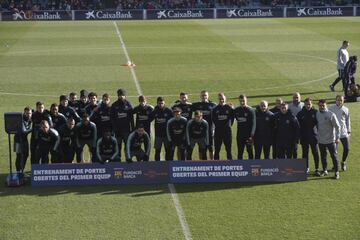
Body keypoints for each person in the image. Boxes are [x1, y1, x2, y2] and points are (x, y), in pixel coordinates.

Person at [316, 99, 341, 179]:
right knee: (323, 156)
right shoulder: (317, 114)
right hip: (321, 140)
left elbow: (338, 127)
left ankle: (336, 172)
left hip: (331, 140)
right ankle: (325, 170)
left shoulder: (331, 115)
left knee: (334, 156)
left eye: (323, 105)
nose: (322, 107)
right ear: (318, 106)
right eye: (320, 106)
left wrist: (337, 138)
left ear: (326, 105)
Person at [296, 98, 320, 175]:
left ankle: (317, 169)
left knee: (315, 153)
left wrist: (318, 134)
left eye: (309, 104)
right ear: (304, 104)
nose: (308, 106)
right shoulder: (300, 114)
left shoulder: (316, 112)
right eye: (306, 104)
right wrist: (299, 136)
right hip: (304, 137)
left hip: (314, 136)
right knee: (305, 153)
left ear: (312, 104)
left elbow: (319, 124)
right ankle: (306, 168)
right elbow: (297, 126)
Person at [191, 90, 216, 160]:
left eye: (205, 95)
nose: (204, 97)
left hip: (210, 129)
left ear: (208, 96)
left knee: (210, 146)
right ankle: (201, 163)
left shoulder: (213, 105)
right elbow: (187, 106)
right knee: (201, 147)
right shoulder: (196, 105)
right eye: (202, 95)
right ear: (200, 96)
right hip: (200, 129)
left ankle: (212, 161)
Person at [110, 88, 134, 161]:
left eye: (123, 95)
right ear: (118, 96)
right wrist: (114, 129)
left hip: (126, 130)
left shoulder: (128, 104)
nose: (121, 97)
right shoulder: (114, 105)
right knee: (118, 146)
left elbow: (131, 118)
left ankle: (128, 159)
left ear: (125, 96)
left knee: (127, 145)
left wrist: (132, 128)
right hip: (117, 131)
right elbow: (112, 118)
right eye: (120, 95)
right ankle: (118, 159)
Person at [329, 95, 351, 171]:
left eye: (341, 100)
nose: (339, 102)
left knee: (347, 148)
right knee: (334, 151)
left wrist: (349, 131)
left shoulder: (346, 109)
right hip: (334, 133)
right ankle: (335, 165)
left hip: (344, 132)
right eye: (338, 100)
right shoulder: (331, 108)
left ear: (343, 101)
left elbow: (348, 120)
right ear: (335, 100)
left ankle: (343, 162)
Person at [212, 93, 234, 160]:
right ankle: (216, 166)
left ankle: (230, 165)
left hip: (227, 132)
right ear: (218, 99)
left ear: (225, 99)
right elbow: (214, 120)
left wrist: (229, 125)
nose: (221, 100)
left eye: (223, 99)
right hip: (218, 132)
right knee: (217, 150)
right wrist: (219, 126)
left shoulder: (229, 108)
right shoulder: (215, 109)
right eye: (220, 99)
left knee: (228, 150)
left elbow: (232, 119)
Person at [150, 96, 173, 161]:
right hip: (158, 135)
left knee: (168, 151)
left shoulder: (168, 111)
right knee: (157, 151)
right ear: (157, 103)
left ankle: (167, 165)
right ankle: (157, 166)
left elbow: (173, 121)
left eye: (162, 103)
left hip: (167, 135)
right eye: (159, 103)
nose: (161, 105)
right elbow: (149, 119)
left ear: (164, 103)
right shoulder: (155, 111)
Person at [234, 94, 256, 160]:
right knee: (240, 152)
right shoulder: (236, 110)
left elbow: (253, 124)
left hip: (248, 135)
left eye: (243, 101)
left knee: (250, 151)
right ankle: (240, 168)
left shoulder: (250, 110)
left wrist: (252, 136)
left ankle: (251, 167)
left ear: (246, 100)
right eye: (240, 101)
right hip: (240, 135)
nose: (242, 102)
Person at [14, 107, 32, 173]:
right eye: (27, 113)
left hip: (24, 139)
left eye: (30, 113)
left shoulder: (30, 118)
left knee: (26, 154)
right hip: (18, 140)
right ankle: (18, 171)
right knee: (19, 156)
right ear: (24, 113)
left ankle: (21, 170)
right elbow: (24, 132)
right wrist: (32, 129)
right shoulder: (21, 120)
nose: (29, 115)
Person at [288, 92, 304, 158]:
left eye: (297, 97)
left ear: (300, 98)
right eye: (294, 97)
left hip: (303, 128)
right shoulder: (289, 106)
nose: (296, 99)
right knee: (293, 148)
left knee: (304, 147)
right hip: (292, 130)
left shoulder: (303, 105)